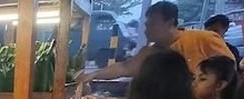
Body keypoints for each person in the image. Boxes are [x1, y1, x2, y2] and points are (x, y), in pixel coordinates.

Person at [77, 1, 234, 84]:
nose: (146, 30)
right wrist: (93, 74)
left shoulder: (204, 38)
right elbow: (125, 67)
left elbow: (230, 69)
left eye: (151, 24)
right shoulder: (151, 51)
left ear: (169, 22)